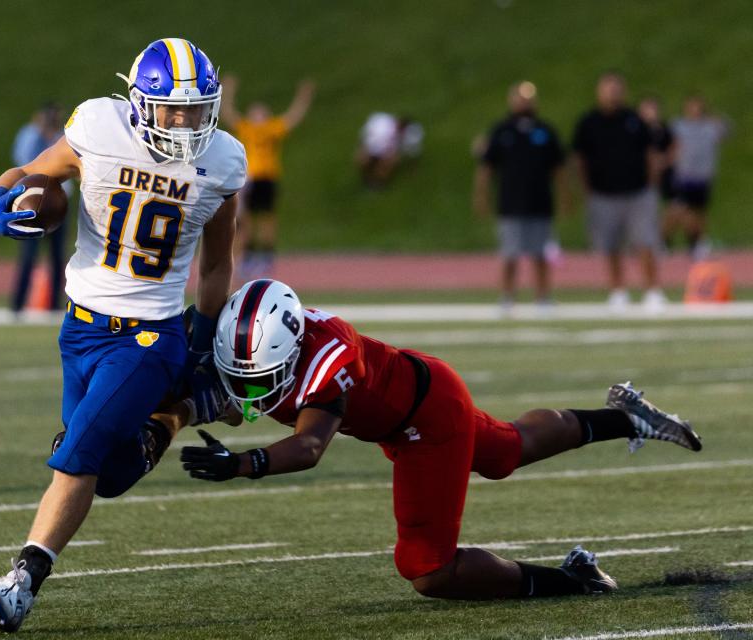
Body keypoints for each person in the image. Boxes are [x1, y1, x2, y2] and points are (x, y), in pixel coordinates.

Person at [173, 279, 702, 601]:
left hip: (423, 419)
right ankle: (628, 418)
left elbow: (310, 447)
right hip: (415, 398)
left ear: (290, 351)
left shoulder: (329, 357)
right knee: (507, 451)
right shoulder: (249, 340)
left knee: (427, 569)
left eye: (262, 378)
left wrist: (242, 465)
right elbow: (234, 398)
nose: (251, 391)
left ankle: (575, 579)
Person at [0, 38, 246, 633]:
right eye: (173, 109)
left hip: (151, 337)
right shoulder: (99, 125)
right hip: (81, 328)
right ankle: (181, 410)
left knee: (77, 457)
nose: (187, 121)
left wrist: (200, 344)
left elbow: (219, 264)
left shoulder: (222, 161)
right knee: (112, 475)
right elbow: (33, 173)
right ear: (140, 102)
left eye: (198, 109)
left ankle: (21, 581)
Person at [573, 72, 666, 312]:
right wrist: (586, 188)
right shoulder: (589, 122)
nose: (612, 94)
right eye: (608, 89)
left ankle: (652, 290)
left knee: (645, 241)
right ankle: (618, 291)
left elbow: (650, 153)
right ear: (599, 92)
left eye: (616, 89)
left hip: (637, 191)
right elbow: (579, 157)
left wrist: (651, 182)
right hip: (604, 193)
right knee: (611, 245)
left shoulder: (634, 120)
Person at [474, 81, 568, 309]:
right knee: (509, 254)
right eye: (520, 97)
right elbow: (487, 167)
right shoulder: (502, 131)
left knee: (540, 255)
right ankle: (507, 297)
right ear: (512, 100)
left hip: (540, 201)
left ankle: (543, 297)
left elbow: (558, 168)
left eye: (528, 98)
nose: (524, 102)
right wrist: (481, 195)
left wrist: (565, 196)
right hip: (510, 202)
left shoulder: (545, 130)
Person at [220, 76, 316, 280]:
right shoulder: (247, 128)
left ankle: (264, 257)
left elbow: (293, 117)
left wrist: (303, 96)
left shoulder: (271, 128)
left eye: (261, 112)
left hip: (266, 177)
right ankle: (248, 257)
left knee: (266, 219)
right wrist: (228, 91)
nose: (258, 115)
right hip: (249, 179)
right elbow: (228, 113)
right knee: (245, 221)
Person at [9, 102, 68, 313]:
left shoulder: (64, 135)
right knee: (28, 255)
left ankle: (54, 305)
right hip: (31, 203)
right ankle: (17, 304)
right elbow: (23, 162)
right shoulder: (30, 134)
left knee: (57, 257)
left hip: (58, 204)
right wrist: (41, 135)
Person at [664, 94, 730, 259]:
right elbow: (667, 144)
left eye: (699, 107)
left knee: (699, 212)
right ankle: (665, 241)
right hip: (684, 175)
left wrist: (710, 117)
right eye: (692, 106)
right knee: (679, 210)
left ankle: (697, 243)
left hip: (703, 177)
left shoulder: (709, 127)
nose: (695, 110)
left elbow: (727, 130)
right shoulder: (678, 126)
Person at [357, 112, 424, 188]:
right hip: (373, 146)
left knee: (386, 164)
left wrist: (413, 169)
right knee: (363, 161)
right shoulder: (380, 122)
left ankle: (379, 182)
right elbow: (366, 135)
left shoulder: (411, 137)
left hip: (390, 151)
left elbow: (413, 152)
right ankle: (366, 176)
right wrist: (363, 148)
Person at [637, 96, 676, 207]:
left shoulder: (664, 129)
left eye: (652, 109)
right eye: (646, 109)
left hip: (663, 173)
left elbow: (674, 148)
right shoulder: (634, 130)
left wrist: (665, 161)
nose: (649, 113)